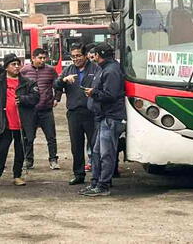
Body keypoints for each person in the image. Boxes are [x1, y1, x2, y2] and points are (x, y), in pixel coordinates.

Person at [80, 42, 126, 197]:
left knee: (106, 153)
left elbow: (110, 95)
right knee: (97, 152)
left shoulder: (111, 70)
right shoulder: (104, 68)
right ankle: (96, 183)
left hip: (110, 117)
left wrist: (93, 93)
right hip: (103, 117)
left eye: (95, 54)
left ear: (99, 55)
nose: (93, 57)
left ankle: (103, 185)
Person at [0, 54, 39, 187]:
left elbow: (35, 98)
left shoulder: (28, 82)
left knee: (20, 150)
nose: (16, 67)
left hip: (22, 124)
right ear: (6, 67)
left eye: (18, 64)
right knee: (2, 150)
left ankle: (17, 175)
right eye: (13, 64)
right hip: (5, 123)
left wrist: (23, 99)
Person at [54, 43, 98, 185]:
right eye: (73, 56)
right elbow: (56, 85)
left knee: (95, 145)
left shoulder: (95, 69)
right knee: (76, 146)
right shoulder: (68, 70)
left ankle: (97, 176)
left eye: (78, 55)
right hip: (74, 113)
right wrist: (63, 80)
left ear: (85, 55)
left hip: (91, 112)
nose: (76, 59)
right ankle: (79, 174)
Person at [20, 48, 59, 170]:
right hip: (30, 110)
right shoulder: (24, 71)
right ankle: (28, 160)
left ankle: (53, 159)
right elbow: (19, 87)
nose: (42, 60)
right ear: (33, 58)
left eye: (44, 58)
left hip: (46, 109)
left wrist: (56, 98)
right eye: (40, 58)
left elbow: (58, 86)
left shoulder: (51, 71)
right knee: (28, 137)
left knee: (51, 137)